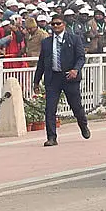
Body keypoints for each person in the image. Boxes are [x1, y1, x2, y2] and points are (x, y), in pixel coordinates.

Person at [33, 14, 91, 147]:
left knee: (76, 106)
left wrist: (75, 70)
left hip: (69, 77)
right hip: (53, 78)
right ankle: (51, 137)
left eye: (58, 23)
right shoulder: (46, 42)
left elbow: (81, 57)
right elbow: (41, 62)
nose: (55, 26)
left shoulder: (74, 39)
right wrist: (36, 81)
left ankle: (83, 126)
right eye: (53, 24)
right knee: (50, 109)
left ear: (63, 24)